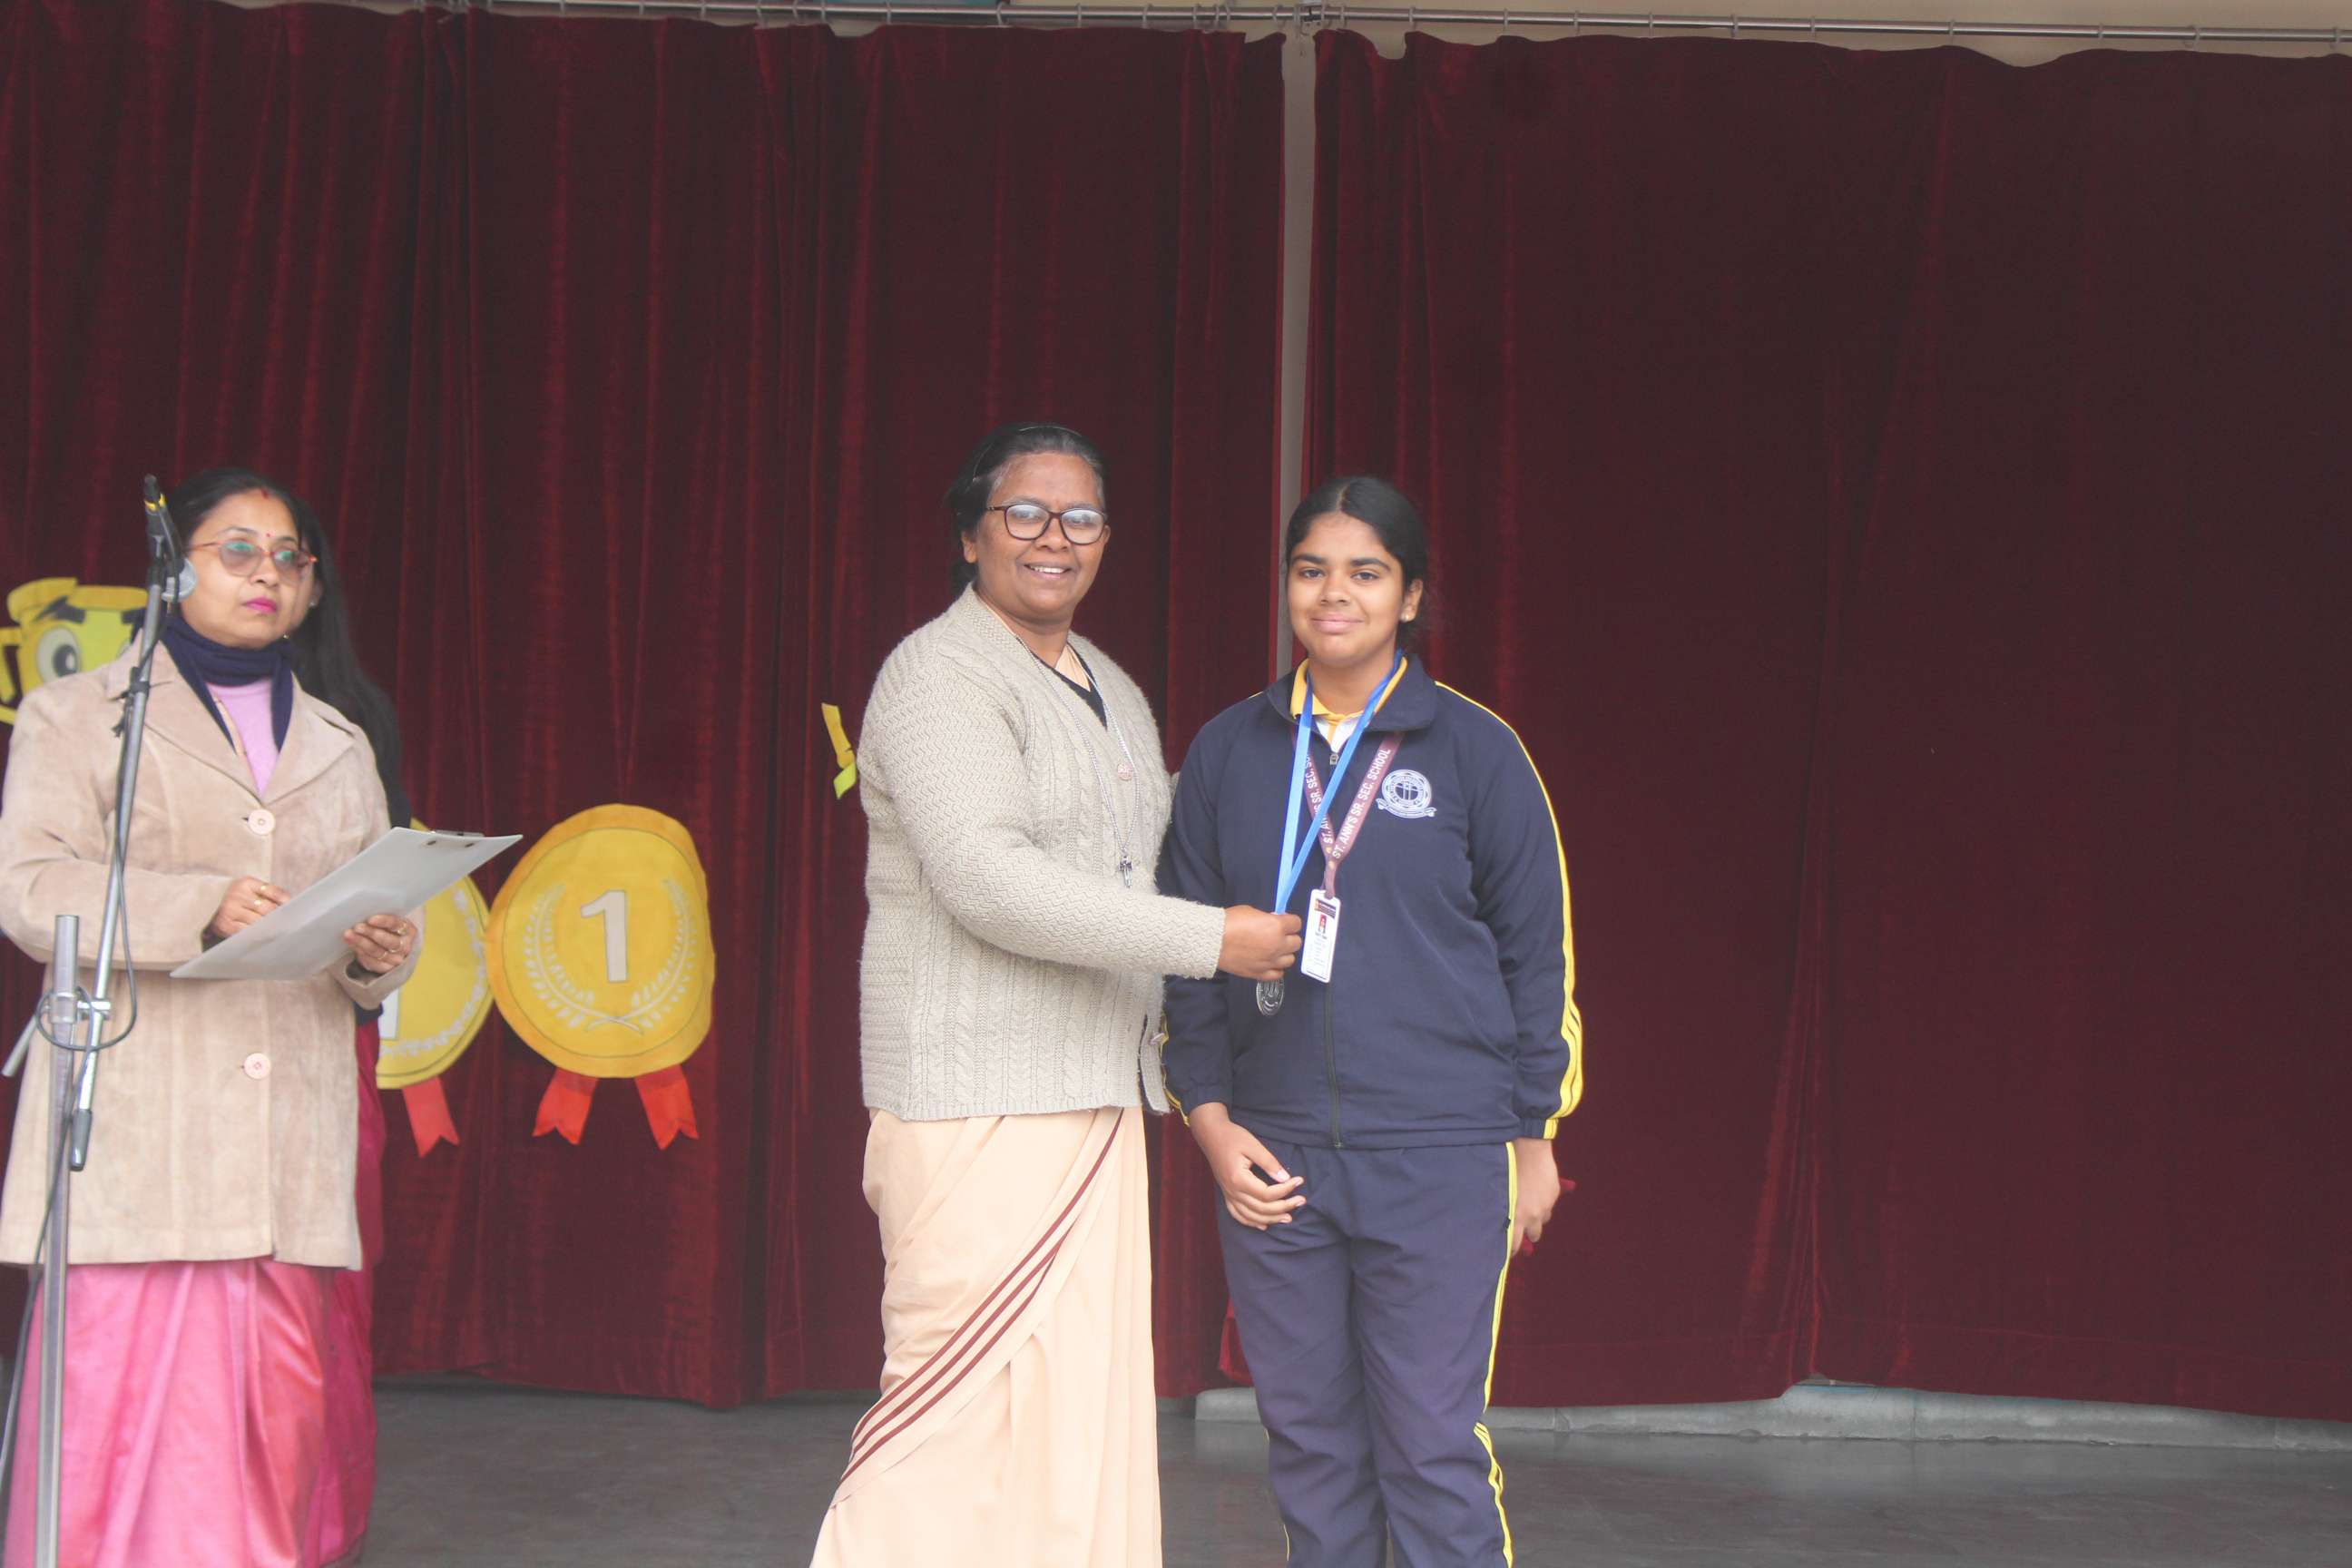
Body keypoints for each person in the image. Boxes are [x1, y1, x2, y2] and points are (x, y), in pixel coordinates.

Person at [810, 422, 1301, 1567]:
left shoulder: (1107, 685)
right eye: (1024, 513)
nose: (1053, 538)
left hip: (1093, 1094)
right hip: (975, 1102)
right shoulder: (938, 674)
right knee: (946, 1432)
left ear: (1105, 540)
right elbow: (989, 881)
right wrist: (1211, 941)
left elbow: (1156, 851)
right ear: (971, 535)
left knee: (1075, 1432)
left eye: (1080, 518)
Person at [0, 467, 420, 1568]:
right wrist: (199, 907)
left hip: (285, 1149)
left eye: (288, 557)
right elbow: (31, 891)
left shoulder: (340, 740)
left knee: (270, 1432)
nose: (265, 574)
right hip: (142, 1134)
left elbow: (365, 912)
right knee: (115, 1428)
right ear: (172, 568)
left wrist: (378, 952)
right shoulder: (78, 717)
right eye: (237, 550)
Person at [1160, 475, 1583, 1568]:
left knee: (1431, 1444)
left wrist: (1533, 1135)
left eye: (1365, 572)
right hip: (1276, 1154)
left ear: (1411, 595)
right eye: (1311, 570)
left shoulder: (1476, 751)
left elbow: (1539, 959)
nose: (1334, 594)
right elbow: (1186, 956)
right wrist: (1210, 1121)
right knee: (1310, 1444)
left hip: (1441, 1153)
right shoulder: (1229, 752)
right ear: (1287, 587)